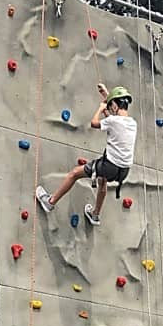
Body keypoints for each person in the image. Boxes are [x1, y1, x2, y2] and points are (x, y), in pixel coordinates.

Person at [36, 84, 137, 226]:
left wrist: (101, 108)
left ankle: (50, 202)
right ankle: (95, 215)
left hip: (110, 166)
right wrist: (107, 96)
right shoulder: (132, 123)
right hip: (123, 171)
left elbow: (95, 123)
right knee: (102, 181)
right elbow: (112, 121)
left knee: (74, 173)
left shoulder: (113, 121)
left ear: (114, 105)